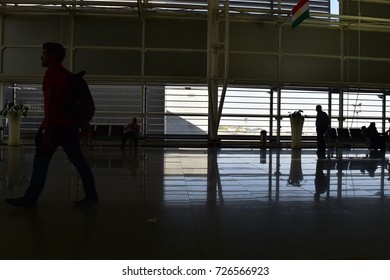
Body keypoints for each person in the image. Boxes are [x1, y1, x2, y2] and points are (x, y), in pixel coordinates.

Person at [6, 42, 98, 207]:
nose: (41, 57)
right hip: (70, 126)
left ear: (53, 55)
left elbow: (50, 104)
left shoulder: (51, 73)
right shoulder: (66, 74)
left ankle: (31, 197)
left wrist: (46, 130)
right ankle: (91, 194)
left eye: (44, 53)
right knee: (79, 161)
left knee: (41, 161)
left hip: (55, 126)